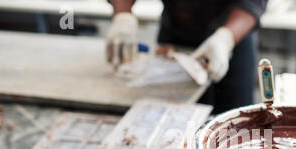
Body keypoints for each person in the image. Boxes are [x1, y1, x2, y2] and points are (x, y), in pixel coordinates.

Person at [106, 0, 268, 114]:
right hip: (175, 36)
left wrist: (226, 38)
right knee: (168, 118)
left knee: (235, 123)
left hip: (232, 34)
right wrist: (123, 15)